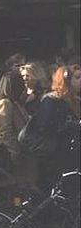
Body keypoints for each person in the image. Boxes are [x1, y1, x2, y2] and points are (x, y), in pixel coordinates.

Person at [26, 65, 81, 193]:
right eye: (77, 77)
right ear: (66, 80)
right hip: (54, 155)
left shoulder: (75, 100)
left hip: (70, 153)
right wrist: (75, 124)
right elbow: (45, 127)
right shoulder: (51, 100)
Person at [0, 71, 35, 185]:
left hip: (20, 151)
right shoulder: (5, 103)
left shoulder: (16, 103)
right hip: (8, 153)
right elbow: (4, 130)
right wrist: (15, 150)